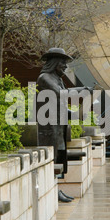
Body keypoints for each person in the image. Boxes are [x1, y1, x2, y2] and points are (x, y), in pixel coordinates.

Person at [36, 47, 92, 203]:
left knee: (59, 157)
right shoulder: (45, 77)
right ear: (54, 63)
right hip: (48, 127)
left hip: (58, 125)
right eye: (63, 63)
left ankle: (56, 188)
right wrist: (82, 89)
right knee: (52, 158)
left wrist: (73, 115)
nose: (66, 67)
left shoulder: (58, 79)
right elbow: (60, 94)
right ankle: (52, 190)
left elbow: (61, 102)